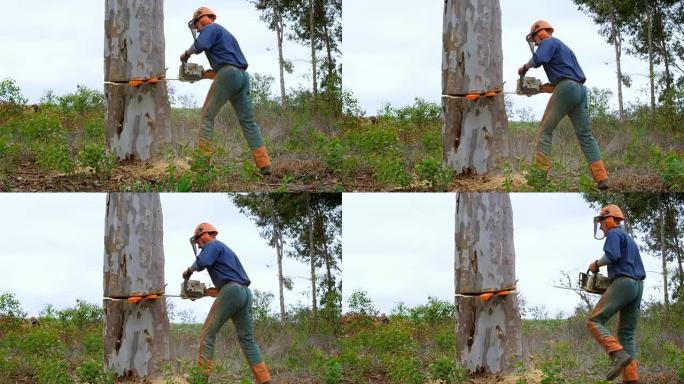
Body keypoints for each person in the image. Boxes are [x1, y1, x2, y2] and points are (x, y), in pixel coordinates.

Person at [518, 20, 608, 190]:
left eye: (534, 39)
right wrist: (539, 88)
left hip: (567, 89)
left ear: (540, 32)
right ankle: (601, 178)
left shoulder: (549, 42)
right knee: (585, 136)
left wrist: (524, 68)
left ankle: (539, 176)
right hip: (580, 91)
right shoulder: (564, 48)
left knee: (545, 130)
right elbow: (564, 78)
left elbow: (538, 60)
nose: (535, 43)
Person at [181, 7, 272, 175]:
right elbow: (227, 65)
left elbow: (200, 46)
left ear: (202, 19)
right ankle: (264, 164)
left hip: (229, 75)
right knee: (248, 121)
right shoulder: (226, 34)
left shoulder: (211, 28)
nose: (198, 30)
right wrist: (200, 74)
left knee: (207, 115)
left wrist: (186, 55)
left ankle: (202, 163)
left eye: (197, 26)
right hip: (242, 77)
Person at [183, 222, 272, 383]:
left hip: (232, 292)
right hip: (244, 293)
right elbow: (229, 282)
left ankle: (200, 378)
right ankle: (264, 379)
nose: (200, 247)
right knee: (247, 338)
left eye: (199, 243)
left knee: (207, 333)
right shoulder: (226, 250)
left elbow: (202, 263)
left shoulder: (212, 245)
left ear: (203, 236)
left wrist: (188, 272)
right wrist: (204, 292)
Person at [586, 205, 646, 383]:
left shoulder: (614, 233)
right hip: (638, 286)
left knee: (594, 321)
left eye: (602, 223)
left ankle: (617, 354)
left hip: (624, 283)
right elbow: (624, 263)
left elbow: (611, 256)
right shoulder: (628, 238)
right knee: (626, 334)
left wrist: (596, 264)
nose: (602, 227)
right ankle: (631, 379)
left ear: (609, 219)